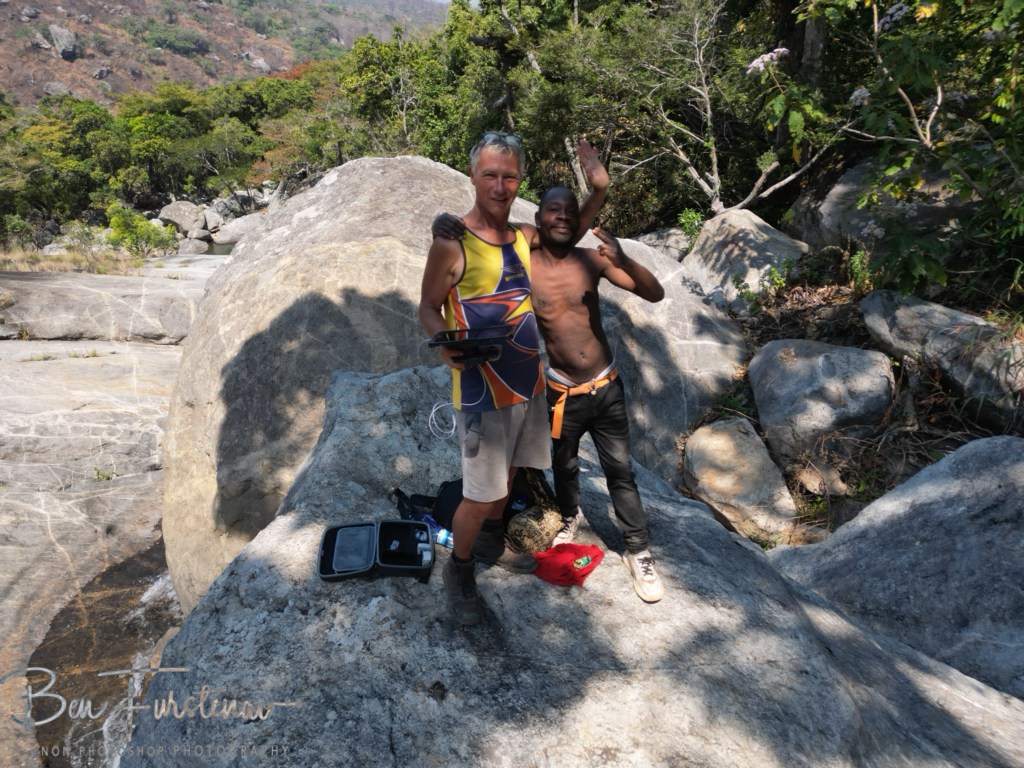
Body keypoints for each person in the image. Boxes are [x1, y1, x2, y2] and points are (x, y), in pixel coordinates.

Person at [433, 171, 666, 604]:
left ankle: (638, 549)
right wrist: (443, 224)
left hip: (606, 386)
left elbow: (655, 293)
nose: (562, 218)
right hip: (558, 392)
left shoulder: (591, 260)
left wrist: (625, 256)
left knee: (620, 472)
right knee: (564, 467)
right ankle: (567, 517)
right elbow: (476, 243)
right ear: (538, 219)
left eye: (569, 212)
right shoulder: (524, 260)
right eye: (552, 211)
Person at [419, 132, 608, 626]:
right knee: (479, 493)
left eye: (509, 176)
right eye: (490, 175)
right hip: (484, 391)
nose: (500, 186)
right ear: (472, 177)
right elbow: (427, 307)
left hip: (528, 383)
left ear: (518, 180)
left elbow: (572, 232)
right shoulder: (452, 240)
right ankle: (459, 572)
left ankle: (489, 543)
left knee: (508, 481)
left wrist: (599, 190)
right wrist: (449, 348)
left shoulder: (524, 237)